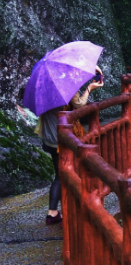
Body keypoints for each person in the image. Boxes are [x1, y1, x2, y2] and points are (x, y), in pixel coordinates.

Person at [38, 66, 103, 224]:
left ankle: (52, 212)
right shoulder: (67, 87)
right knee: (70, 173)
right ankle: (71, 211)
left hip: (49, 137)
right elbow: (79, 105)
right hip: (62, 137)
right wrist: (89, 88)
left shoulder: (43, 87)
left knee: (59, 174)